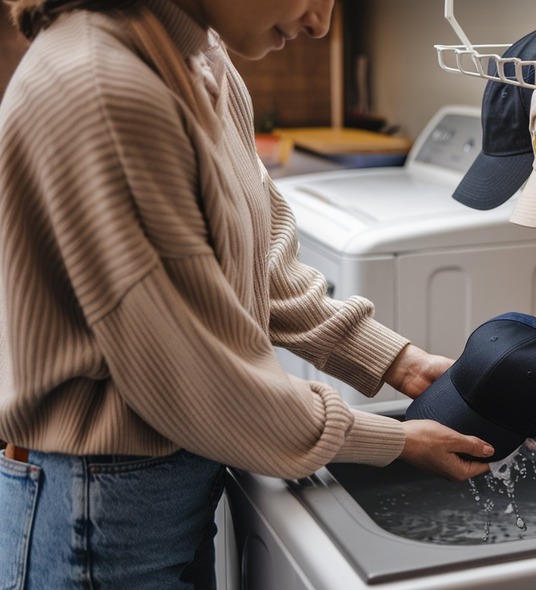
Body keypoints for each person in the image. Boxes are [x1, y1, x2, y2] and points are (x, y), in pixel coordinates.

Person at [0, 0, 498, 587]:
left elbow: (258, 260)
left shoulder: (200, 58)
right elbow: (192, 375)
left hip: (167, 476)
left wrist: (399, 362)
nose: (320, 23)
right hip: (99, 504)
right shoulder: (106, 90)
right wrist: (393, 440)